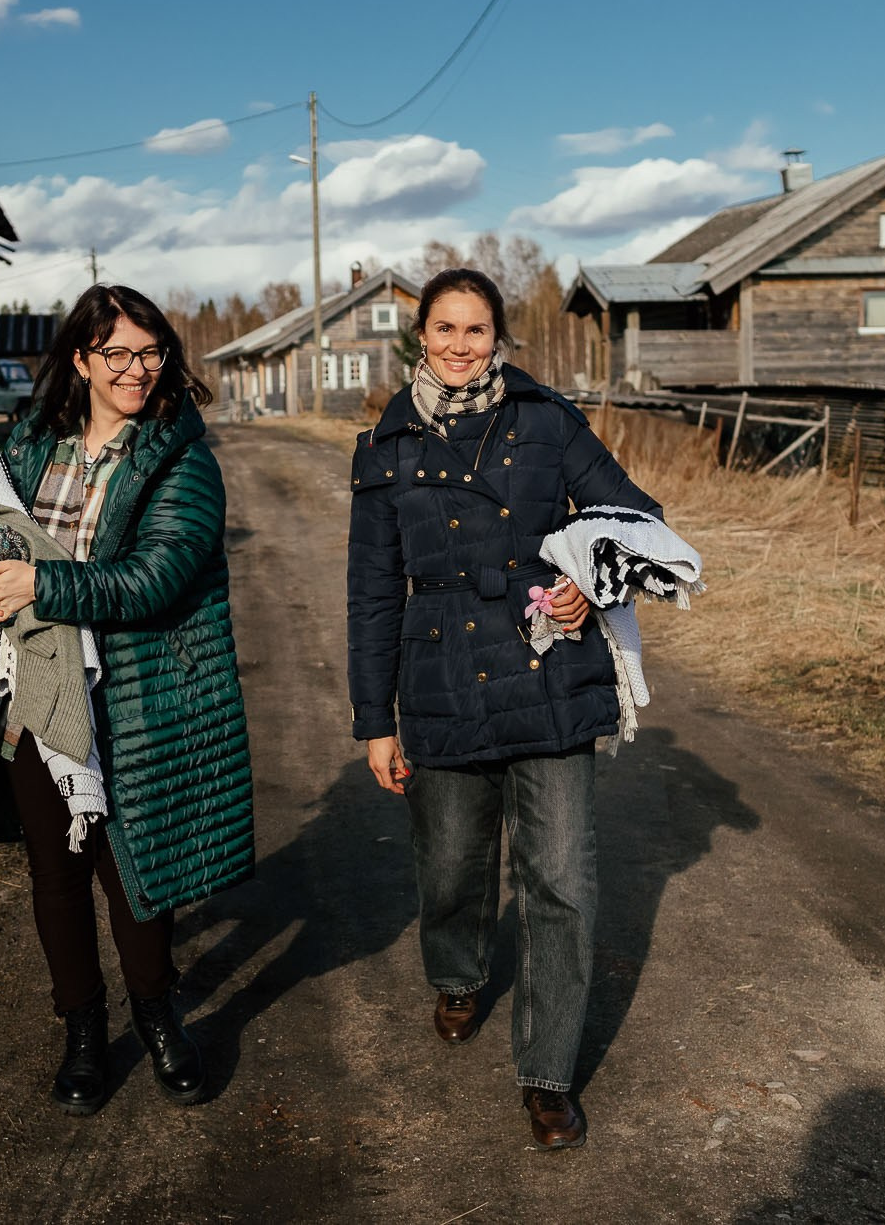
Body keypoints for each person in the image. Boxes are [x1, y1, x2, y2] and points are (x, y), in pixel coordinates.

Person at [346, 268, 662, 1151]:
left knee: (560, 879)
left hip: (546, 670)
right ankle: (457, 971)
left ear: (499, 338)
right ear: (420, 335)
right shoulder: (386, 443)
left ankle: (549, 1074)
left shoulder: (547, 420)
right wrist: (375, 719)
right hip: (440, 675)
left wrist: (584, 586)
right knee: (450, 864)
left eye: (477, 329)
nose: (460, 345)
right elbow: (371, 591)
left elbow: (635, 516)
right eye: (444, 328)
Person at [0, 284, 254, 1115]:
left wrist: (40, 581)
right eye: (116, 353)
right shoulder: (33, 443)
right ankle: (82, 1027)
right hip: (35, 691)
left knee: (134, 872)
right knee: (56, 874)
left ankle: (156, 1013)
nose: (136, 369)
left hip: (138, 697)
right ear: (81, 360)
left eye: (150, 352)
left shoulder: (182, 457)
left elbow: (157, 576)